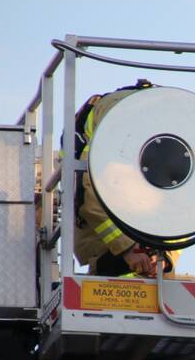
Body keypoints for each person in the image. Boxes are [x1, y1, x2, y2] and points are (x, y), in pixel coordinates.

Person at [70, 81, 177, 277]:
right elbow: (88, 191)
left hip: (141, 235)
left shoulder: (176, 136)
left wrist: (165, 256)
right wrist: (126, 248)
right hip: (107, 246)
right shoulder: (116, 123)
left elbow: (187, 207)